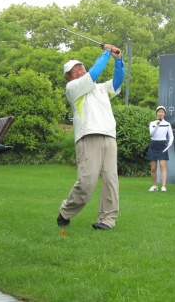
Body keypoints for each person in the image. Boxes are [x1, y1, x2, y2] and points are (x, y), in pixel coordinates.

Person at [57, 44, 125, 231]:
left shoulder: (101, 88)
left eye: (81, 68)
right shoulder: (73, 88)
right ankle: (66, 211)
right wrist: (106, 53)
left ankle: (107, 220)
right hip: (87, 135)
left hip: (109, 136)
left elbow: (118, 80)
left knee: (111, 180)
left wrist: (118, 59)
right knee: (87, 181)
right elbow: (94, 73)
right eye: (74, 71)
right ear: (69, 77)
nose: (79, 71)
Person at [148, 105, 174, 192]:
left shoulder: (167, 124)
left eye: (162, 112)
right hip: (154, 144)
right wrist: (157, 125)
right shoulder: (152, 123)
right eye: (159, 112)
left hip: (163, 145)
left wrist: (170, 143)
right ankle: (154, 185)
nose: (160, 113)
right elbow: (151, 134)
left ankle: (163, 186)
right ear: (156, 113)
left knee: (163, 166)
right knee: (153, 168)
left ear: (164, 114)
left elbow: (171, 135)